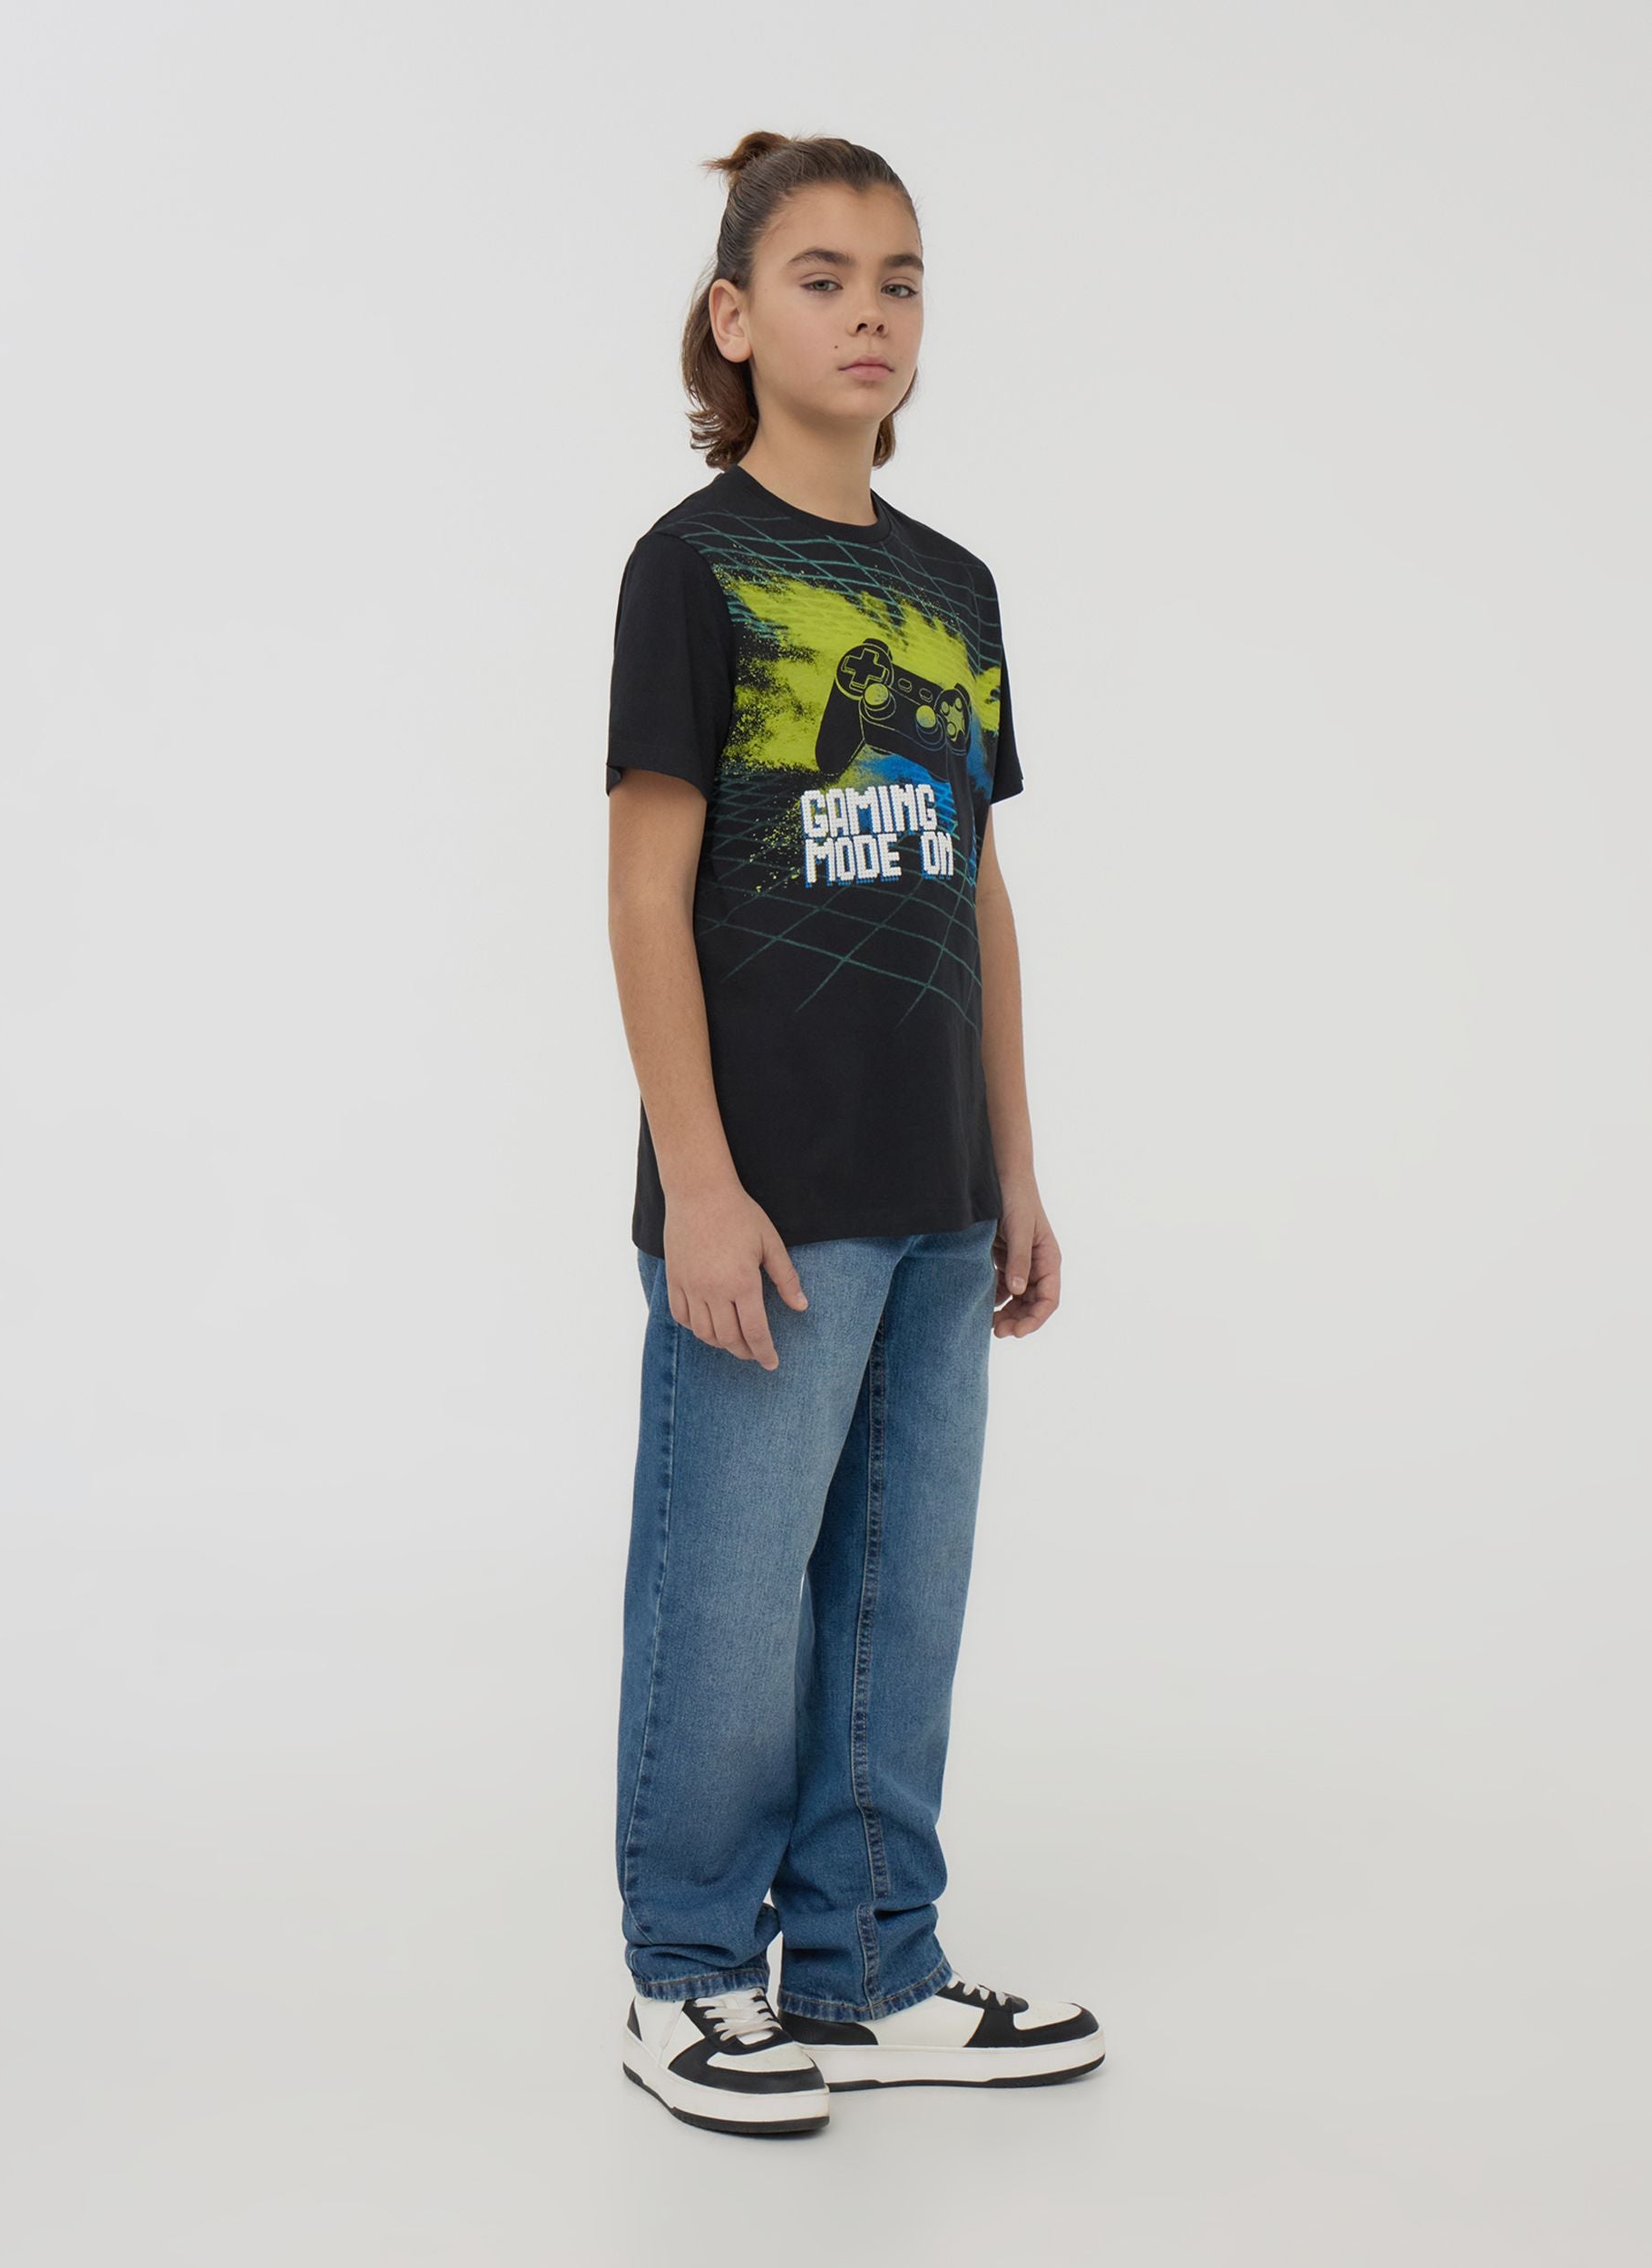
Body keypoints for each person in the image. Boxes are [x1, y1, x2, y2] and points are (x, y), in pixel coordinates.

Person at [604, 130, 1103, 2136]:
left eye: (899, 279)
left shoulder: (953, 587)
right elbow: (643, 891)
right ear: (734, 318)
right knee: (729, 1602)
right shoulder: (690, 566)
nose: (869, 312)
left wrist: (1015, 1167)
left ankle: (870, 1964)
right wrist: (701, 1183)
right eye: (820, 278)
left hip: (932, 1188)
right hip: (769, 1192)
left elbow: (974, 887)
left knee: (901, 1598)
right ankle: (685, 1977)